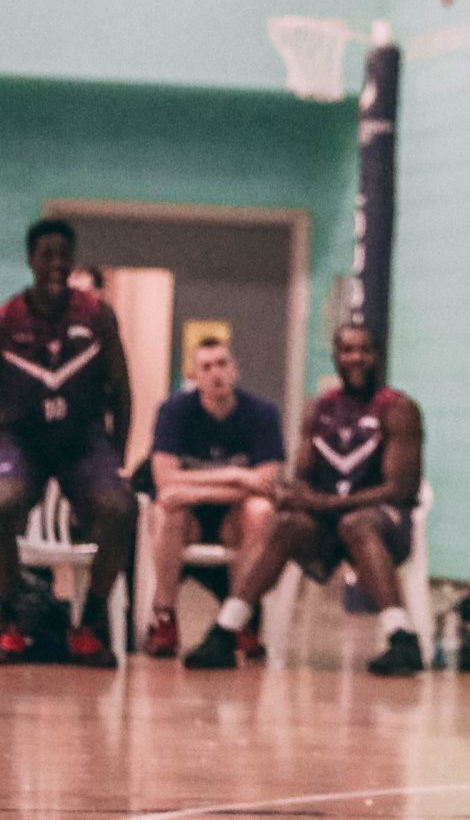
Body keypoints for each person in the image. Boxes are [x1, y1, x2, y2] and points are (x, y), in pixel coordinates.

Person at [183, 324, 424, 675]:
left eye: (363, 350)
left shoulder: (398, 409)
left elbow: (399, 488)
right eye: (347, 350)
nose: (355, 358)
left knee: (356, 523)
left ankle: (402, 638)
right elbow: (304, 476)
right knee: (284, 523)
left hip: (382, 522)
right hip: (328, 524)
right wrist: (291, 494)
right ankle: (227, 631)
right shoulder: (320, 409)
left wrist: (325, 505)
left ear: (377, 356)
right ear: (336, 357)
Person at [0, 218, 135, 667]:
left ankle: (89, 624)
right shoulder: (7, 317)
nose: (56, 263)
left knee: (120, 508)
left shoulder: (97, 315)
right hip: (23, 440)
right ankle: (10, 620)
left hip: (83, 442)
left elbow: (121, 388)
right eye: (46, 254)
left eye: (64, 254)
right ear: (30, 260)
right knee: (2, 503)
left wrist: (117, 455)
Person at [142, 335, 286, 659]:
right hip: (188, 520)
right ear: (194, 377)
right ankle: (164, 618)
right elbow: (165, 481)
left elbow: (266, 482)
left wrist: (192, 487)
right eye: (206, 367)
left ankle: (239, 618)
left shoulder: (262, 413)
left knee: (260, 510)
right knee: (167, 510)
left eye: (222, 364)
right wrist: (236, 476)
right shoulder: (174, 411)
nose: (216, 373)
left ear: (234, 370)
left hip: (232, 520)